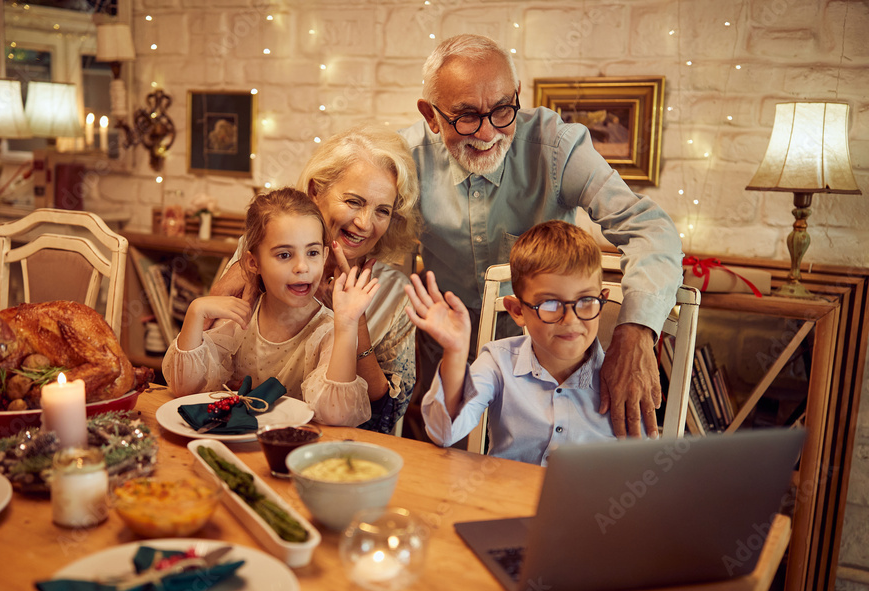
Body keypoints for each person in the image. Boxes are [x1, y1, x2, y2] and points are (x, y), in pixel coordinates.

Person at [399, 34, 683, 439]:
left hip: (548, 359)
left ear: (517, 95)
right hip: (449, 360)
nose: (486, 134)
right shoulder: (404, 157)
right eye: (465, 116)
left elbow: (650, 228)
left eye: (501, 110)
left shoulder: (557, 146)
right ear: (430, 115)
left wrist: (636, 330)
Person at [210, 126, 421, 434]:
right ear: (314, 191)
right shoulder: (257, 255)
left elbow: (386, 417)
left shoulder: (395, 295)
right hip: (242, 435)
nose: (364, 223)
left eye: (382, 211)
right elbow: (205, 356)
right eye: (353, 202)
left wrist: (355, 324)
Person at [406, 221, 634, 464]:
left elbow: (636, 468)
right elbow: (443, 434)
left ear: (602, 301)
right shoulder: (498, 362)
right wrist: (455, 351)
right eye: (550, 303)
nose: (571, 319)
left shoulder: (624, 377)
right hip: (506, 497)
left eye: (586, 300)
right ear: (517, 310)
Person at [162, 188, 379, 427]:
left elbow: (337, 415)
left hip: (294, 452)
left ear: (326, 255)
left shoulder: (329, 331)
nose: (302, 267)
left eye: (313, 252)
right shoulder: (241, 318)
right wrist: (195, 311)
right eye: (285, 254)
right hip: (236, 443)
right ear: (253, 263)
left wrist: (348, 325)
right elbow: (184, 388)